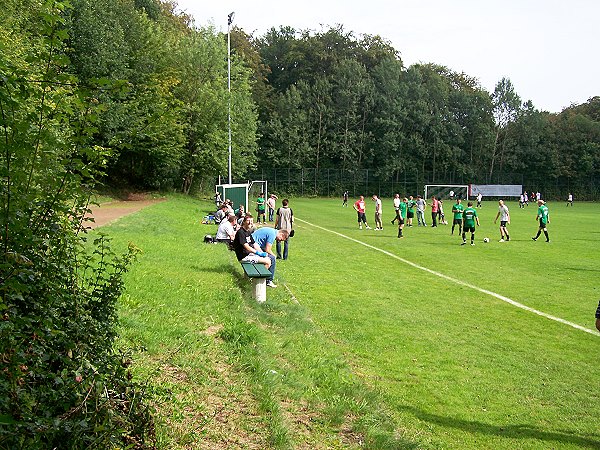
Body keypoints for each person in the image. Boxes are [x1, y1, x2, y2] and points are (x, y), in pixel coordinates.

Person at [233, 214, 273, 285]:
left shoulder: (247, 231)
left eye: (251, 221)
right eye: (248, 221)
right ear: (244, 222)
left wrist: (262, 253)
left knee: (267, 258)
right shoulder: (240, 232)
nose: (250, 223)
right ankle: (257, 281)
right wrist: (258, 253)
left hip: (248, 254)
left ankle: (253, 278)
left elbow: (254, 244)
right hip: (244, 257)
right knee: (268, 262)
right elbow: (247, 247)